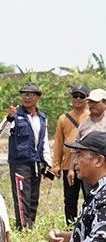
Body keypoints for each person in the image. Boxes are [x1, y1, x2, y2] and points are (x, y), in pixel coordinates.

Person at [0, 82, 53, 230]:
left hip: (36, 162)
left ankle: (31, 226)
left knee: (34, 196)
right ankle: (23, 228)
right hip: (19, 163)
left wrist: (47, 162)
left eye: (30, 94)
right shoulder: (15, 116)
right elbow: (0, 132)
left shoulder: (41, 118)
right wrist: (9, 118)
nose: (27, 97)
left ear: (38, 98)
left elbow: (44, 140)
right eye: (24, 94)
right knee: (22, 197)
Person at [52, 85, 90, 224]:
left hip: (88, 165)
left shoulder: (92, 116)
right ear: (71, 98)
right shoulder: (63, 118)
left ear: (87, 99)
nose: (78, 99)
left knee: (90, 197)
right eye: (75, 96)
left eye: (82, 96)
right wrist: (56, 165)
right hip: (69, 166)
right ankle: (71, 228)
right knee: (70, 200)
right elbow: (58, 143)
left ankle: (89, 226)